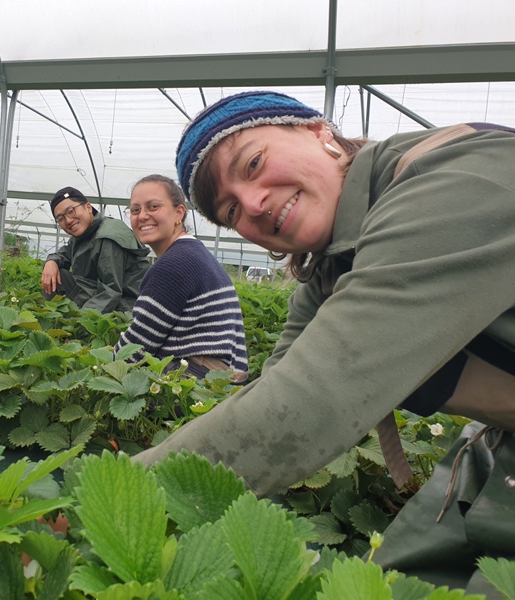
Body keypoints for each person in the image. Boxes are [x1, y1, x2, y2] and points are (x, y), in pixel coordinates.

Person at [133, 90, 515, 595]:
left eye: (253, 163)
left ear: (320, 133)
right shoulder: (331, 270)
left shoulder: (453, 178)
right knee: (386, 584)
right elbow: (273, 387)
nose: (251, 204)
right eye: (230, 212)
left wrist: (119, 496)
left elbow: (311, 402)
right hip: (499, 442)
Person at [113, 174, 249, 379]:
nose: (142, 216)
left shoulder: (174, 264)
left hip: (197, 378)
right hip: (222, 378)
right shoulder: (194, 253)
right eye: (135, 210)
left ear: (179, 212)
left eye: (153, 207)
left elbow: (135, 349)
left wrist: (103, 367)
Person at [41, 186, 150, 313]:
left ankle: (64, 325)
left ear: (88, 207)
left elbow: (111, 292)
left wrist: (78, 322)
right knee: (56, 275)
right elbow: (64, 253)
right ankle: (50, 316)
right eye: (61, 218)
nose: (68, 220)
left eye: (71, 211)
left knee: (80, 324)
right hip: (97, 294)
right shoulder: (83, 234)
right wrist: (51, 262)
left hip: (126, 307)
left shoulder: (107, 237)